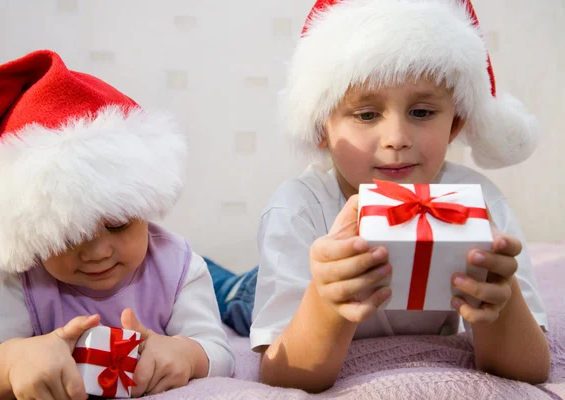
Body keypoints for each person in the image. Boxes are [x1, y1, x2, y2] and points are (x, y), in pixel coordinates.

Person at [209, 0, 550, 392]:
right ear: (321, 129)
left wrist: (500, 306)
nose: (397, 140)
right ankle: (206, 271)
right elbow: (283, 374)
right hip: (277, 285)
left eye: (421, 112)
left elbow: (530, 367)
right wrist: (324, 302)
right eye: (366, 115)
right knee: (229, 294)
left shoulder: (475, 203)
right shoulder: (298, 208)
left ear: (454, 124)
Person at [0, 50, 234, 399]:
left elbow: (221, 353)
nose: (97, 252)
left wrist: (187, 353)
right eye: (66, 236)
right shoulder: (25, 282)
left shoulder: (177, 266)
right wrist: (11, 362)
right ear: (29, 231)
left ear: (144, 204)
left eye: (118, 224)